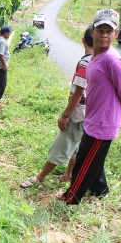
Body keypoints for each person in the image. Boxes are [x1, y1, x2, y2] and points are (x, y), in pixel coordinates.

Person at [57, 8, 121, 205]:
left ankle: (72, 197)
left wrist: (118, 114)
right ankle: (101, 190)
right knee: (92, 158)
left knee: (84, 163)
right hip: (93, 119)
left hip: (102, 124)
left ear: (116, 34)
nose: (104, 35)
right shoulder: (95, 57)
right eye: (101, 30)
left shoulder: (112, 60)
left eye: (109, 31)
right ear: (92, 31)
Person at [19, 27, 94, 188]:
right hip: (88, 113)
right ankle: (68, 174)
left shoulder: (85, 62)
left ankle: (40, 177)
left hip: (77, 112)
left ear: (83, 39)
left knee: (61, 145)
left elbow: (78, 93)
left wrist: (65, 115)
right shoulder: (97, 59)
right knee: (76, 145)